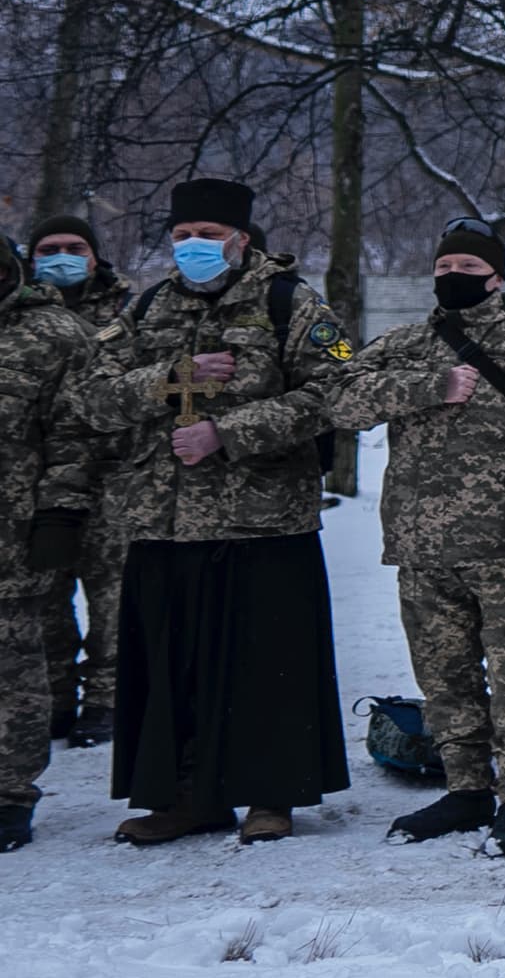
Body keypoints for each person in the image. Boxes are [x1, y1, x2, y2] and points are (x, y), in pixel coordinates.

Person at [65, 179, 357, 844]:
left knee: (266, 662)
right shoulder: (142, 308)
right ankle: (186, 796)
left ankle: (270, 795)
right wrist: (174, 378)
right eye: (181, 235)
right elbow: (92, 396)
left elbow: (340, 385)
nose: (192, 246)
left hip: (262, 518)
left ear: (241, 239)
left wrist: (231, 432)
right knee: (175, 668)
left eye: (207, 234)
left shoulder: (292, 302)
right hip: (164, 519)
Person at [337, 226, 505, 855]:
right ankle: (466, 788)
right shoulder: (403, 345)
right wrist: (428, 385)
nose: (453, 272)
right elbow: (338, 396)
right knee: (444, 678)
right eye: (444, 262)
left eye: (468, 264)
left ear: (497, 278)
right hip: (423, 550)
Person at [0, 238, 98, 852]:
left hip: (12, 530)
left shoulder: (56, 333)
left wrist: (60, 511)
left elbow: (76, 432)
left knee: (11, 668)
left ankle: (9, 795)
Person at [24, 214, 122, 748]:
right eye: (49, 248)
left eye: (74, 247)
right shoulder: (16, 313)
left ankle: (106, 698)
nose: (61, 257)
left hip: (112, 479)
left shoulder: (128, 310)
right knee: (43, 595)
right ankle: (55, 694)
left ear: (95, 255)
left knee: (112, 595)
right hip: (33, 483)